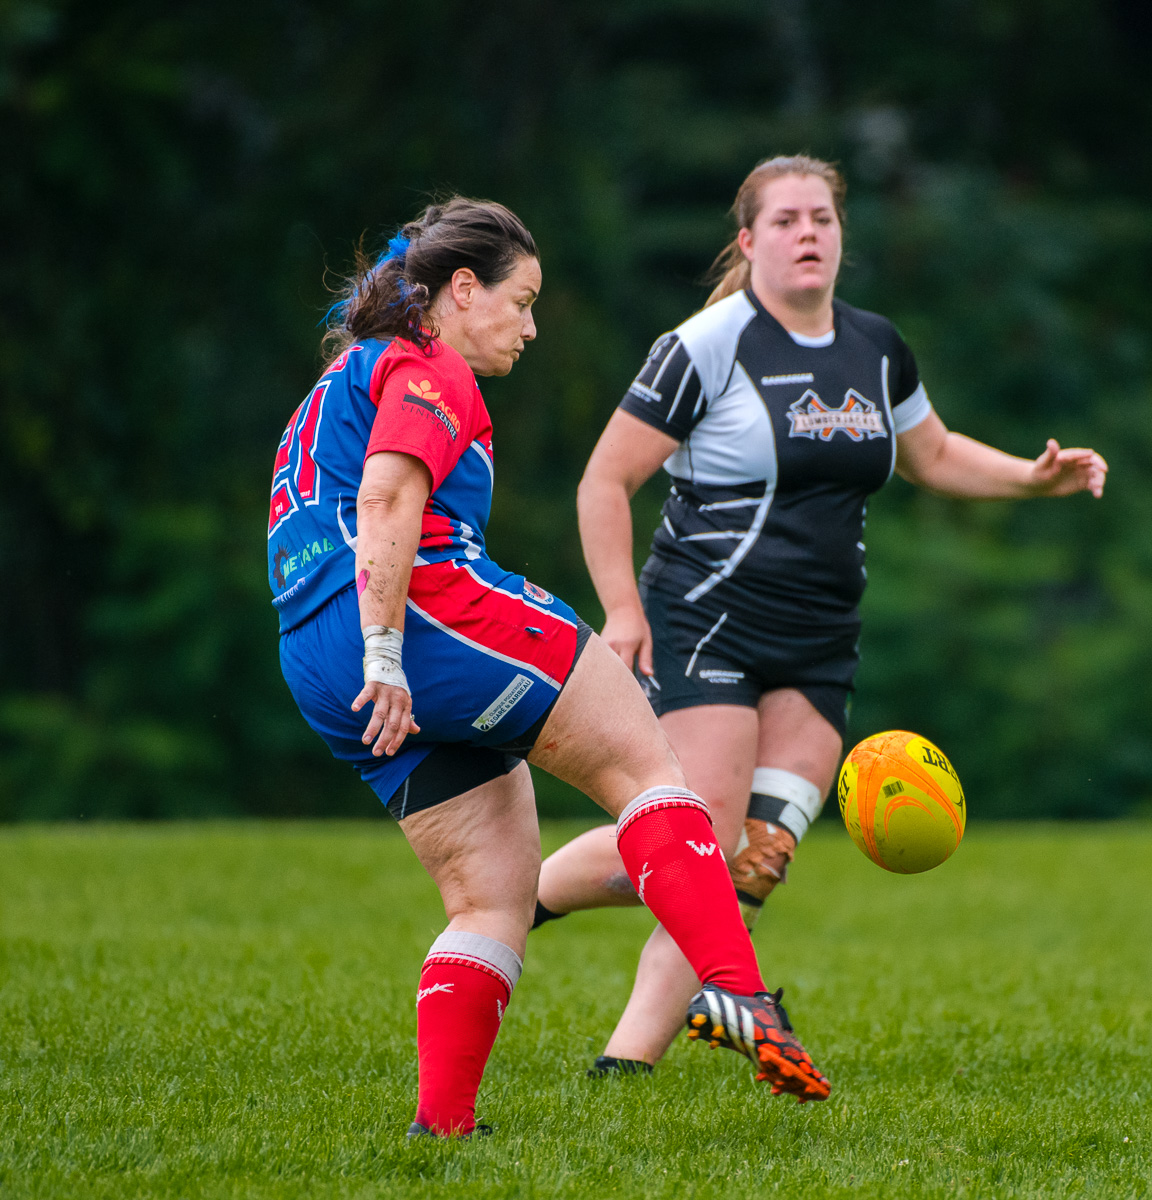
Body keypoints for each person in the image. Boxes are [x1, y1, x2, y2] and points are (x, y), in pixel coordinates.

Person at [268, 197, 830, 1136]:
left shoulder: (341, 376)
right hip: (414, 614)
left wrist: (366, 651)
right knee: (650, 771)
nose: (529, 326)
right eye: (520, 302)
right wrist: (388, 649)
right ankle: (735, 989)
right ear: (460, 290)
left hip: (308, 649)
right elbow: (388, 492)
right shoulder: (428, 362)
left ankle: (442, 1126)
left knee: (491, 892)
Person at [533, 156, 1107, 1075]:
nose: (809, 234)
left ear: (842, 236)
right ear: (750, 240)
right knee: (705, 840)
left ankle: (626, 1062)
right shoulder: (707, 344)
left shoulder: (877, 347)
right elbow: (606, 479)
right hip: (708, 618)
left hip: (820, 637)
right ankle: (523, 900)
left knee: (751, 864)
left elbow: (936, 453)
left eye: (824, 220)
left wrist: (1033, 479)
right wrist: (621, 611)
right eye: (789, 220)